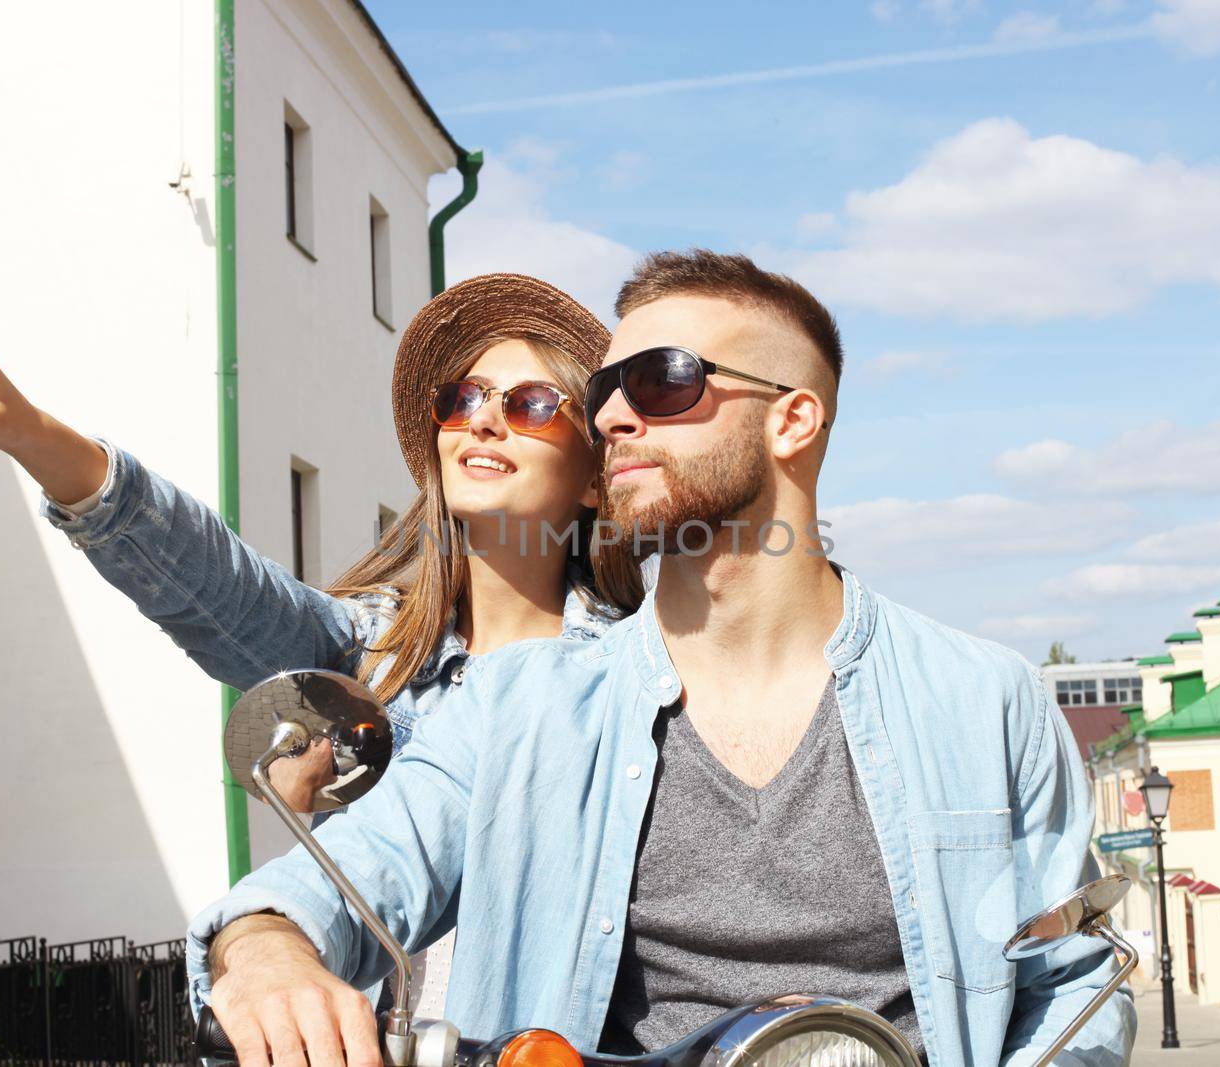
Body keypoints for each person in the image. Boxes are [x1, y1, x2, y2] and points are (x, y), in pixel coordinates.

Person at [186, 250, 1135, 1067]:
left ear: (792, 420)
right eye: (605, 392)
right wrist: (269, 952)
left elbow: (1075, 984)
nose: (612, 420)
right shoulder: (519, 707)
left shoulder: (981, 697)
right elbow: (343, 881)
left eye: (664, 382)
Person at [0, 268, 644, 1011]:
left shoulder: (634, 683)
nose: (483, 418)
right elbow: (211, 578)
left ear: (592, 478)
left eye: (534, 403)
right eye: (463, 397)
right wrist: (29, 433)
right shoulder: (365, 653)